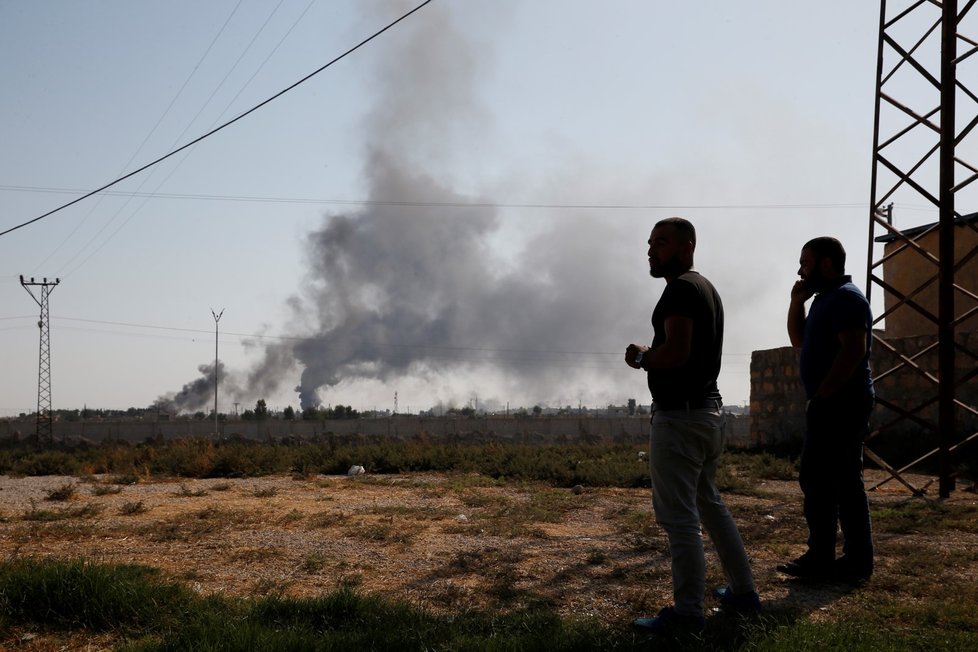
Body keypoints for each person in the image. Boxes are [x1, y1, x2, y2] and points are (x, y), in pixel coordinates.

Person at [625, 217, 758, 635]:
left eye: (661, 243)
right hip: (707, 412)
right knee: (710, 506)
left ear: (686, 247)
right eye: (649, 243)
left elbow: (677, 353)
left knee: (680, 518)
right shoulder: (706, 288)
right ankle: (743, 592)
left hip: (680, 418)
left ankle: (687, 615)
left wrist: (644, 356)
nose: (651, 250)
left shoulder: (681, 290)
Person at [780, 236, 874, 583]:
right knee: (822, 480)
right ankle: (824, 558)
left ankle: (850, 563)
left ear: (826, 264)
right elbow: (798, 339)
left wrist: (824, 396)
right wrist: (796, 302)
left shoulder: (847, 299)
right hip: (830, 402)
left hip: (842, 403)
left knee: (840, 482)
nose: (800, 270)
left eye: (805, 263)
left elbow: (853, 351)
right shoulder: (823, 299)